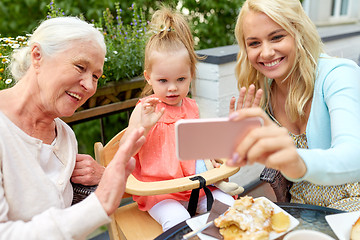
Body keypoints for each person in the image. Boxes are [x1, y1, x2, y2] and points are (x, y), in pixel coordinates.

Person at [0, 16, 146, 239]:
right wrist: (100, 203)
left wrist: (100, 180)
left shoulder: (65, 136)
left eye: (96, 76)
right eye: (80, 67)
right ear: (37, 56)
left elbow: (65, 219)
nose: (89, 86)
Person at [227, 0, 360, 211]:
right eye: (254, 43)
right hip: (303, 208)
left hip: (353, 200)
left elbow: (355, 156)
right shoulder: (263, 96)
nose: (267, 52)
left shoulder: (338, 74)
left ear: (298, 32)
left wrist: (298, 162)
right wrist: (234, 143)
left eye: (277, 37)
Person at [120, 7, 236, 231]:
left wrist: (211, 156)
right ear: (149, 78)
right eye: (163, 80)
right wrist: (142, 128)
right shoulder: (144, 109)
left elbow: (199, 146)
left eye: (181, 79)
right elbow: (127, 150)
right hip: (161, 193)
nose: (172, 88)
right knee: (178, 223)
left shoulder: (192, 107)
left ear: (191, 74)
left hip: (197, 187)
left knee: (229, 207)